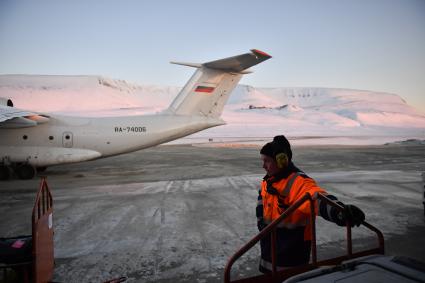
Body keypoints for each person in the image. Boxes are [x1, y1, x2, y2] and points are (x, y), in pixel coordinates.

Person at [256, 135, 365, 273]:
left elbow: (316, 198)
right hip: (268, 249)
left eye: (267, 161)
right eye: (262, 160)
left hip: (291, 253)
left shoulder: (298, 182)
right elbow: (261, 200)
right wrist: (260, 221)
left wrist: (339, 212)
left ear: (281, 161)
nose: (263, 166)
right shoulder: (268, 181)